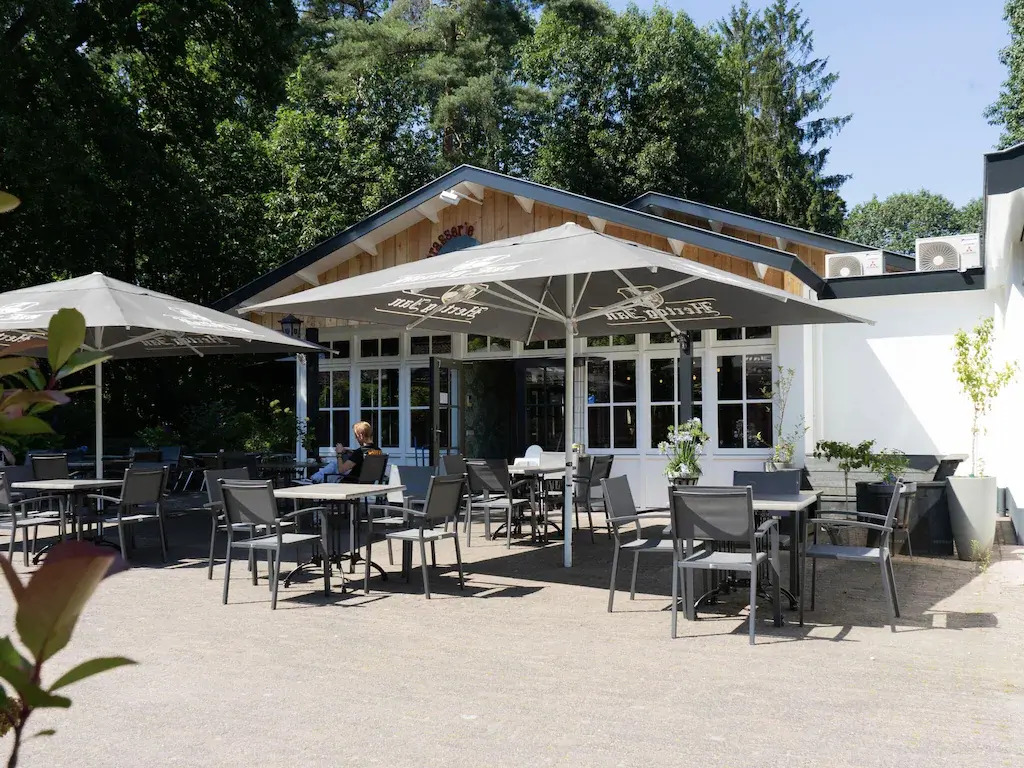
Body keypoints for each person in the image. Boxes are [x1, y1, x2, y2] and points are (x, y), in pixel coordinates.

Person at [310, 421, 381, 483]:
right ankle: (313, 478)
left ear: (361, 436)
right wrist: (352, 452)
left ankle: (311, 480)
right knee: (334, 465)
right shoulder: (378, 450)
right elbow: (363, 458)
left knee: (333, 466)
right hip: (366, 484)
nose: (356, 438)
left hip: (349, 484)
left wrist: (339, 454)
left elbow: (341, 470)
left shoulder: (359, 452)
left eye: (356, 436)